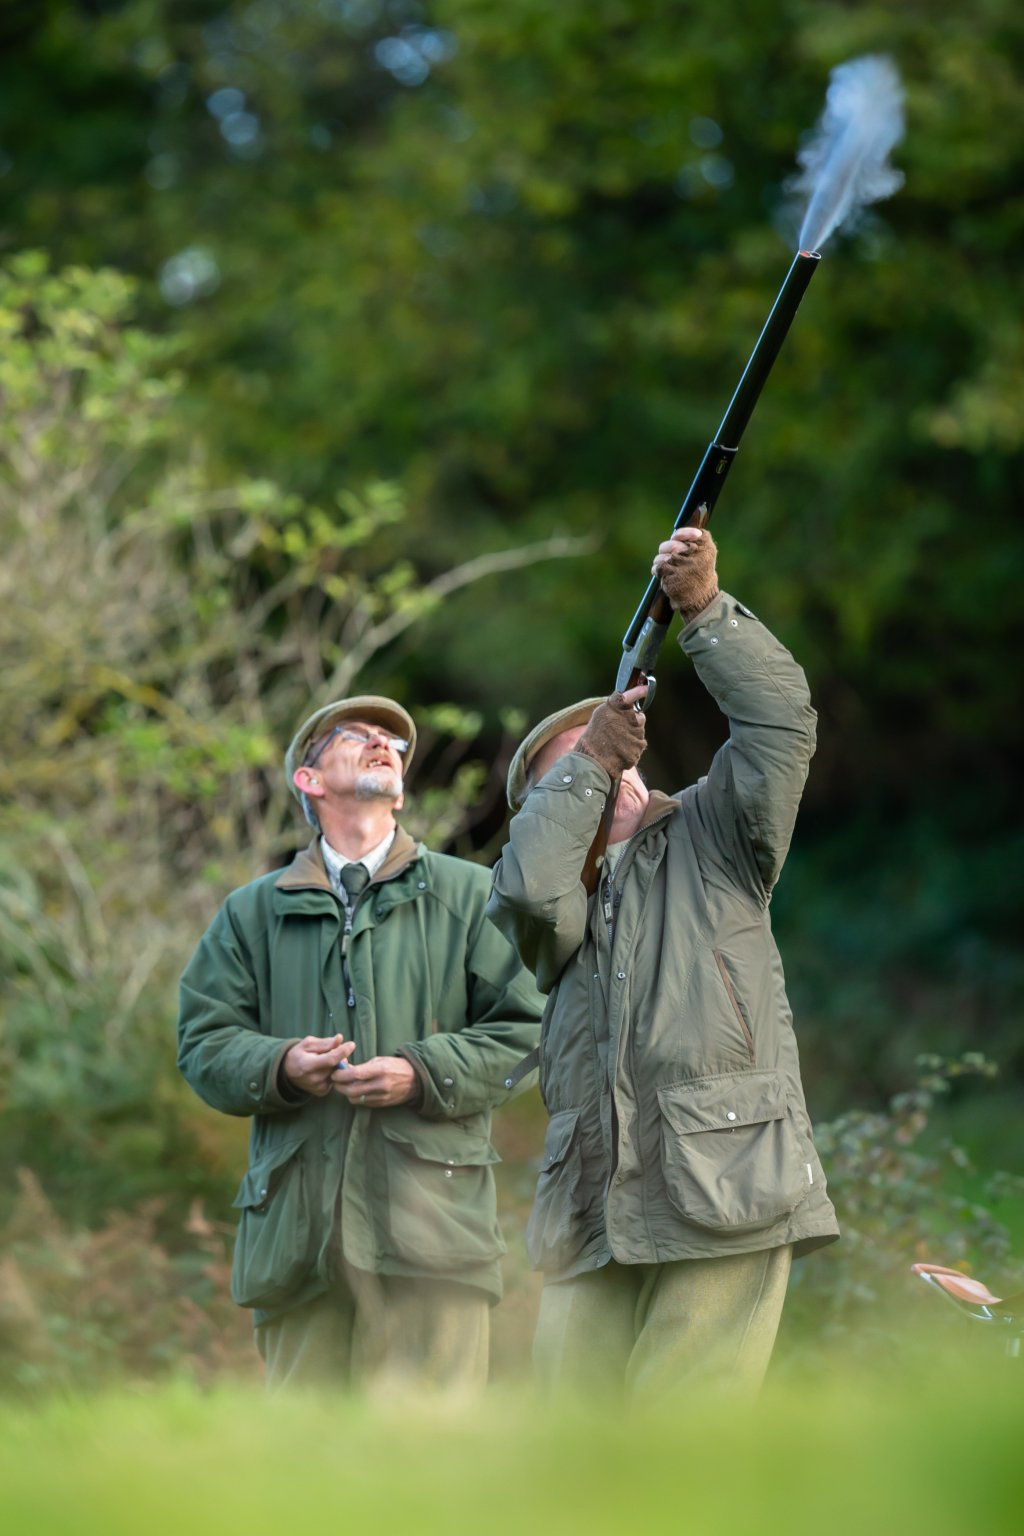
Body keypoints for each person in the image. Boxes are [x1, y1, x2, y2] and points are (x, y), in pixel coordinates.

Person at [487, 527, 839, 1400]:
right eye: (566, 774)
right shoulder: (550, 902)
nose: (607, 766)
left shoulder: (717, 834)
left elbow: (782, 722)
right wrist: (590, 763)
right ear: (542, 811)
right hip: (590, 1211)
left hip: (727, 1187)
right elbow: (529, 889)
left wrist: (705, 610)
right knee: (575, 1454)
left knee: (684, 1446)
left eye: (612, 748)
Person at [177, 694, 542, 1393]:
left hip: (434, 1240)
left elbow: (529, 1030)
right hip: (297, 1248)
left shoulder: (471, 895)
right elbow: (202, 1042)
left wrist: (421, 1071)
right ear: (308, 782)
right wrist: (279, 1065)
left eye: (393, 742)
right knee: (304, 1478)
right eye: (358, 736)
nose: (384, 744)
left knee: (433, 1470)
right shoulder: (250, 912)